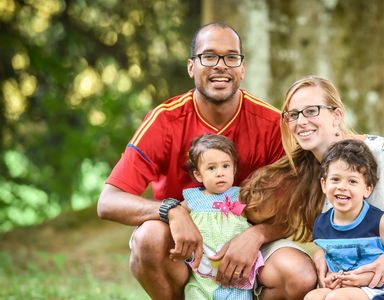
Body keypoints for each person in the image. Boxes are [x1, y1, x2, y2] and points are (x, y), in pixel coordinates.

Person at [97, 22, 316, 300]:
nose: (221, 66)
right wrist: (172, 211)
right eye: (209, 56)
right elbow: (108, 201)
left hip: (252, 244)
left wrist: (257, 235)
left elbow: (298, 207)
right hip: (184, 246)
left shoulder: (273, 124)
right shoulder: (165, 120)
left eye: (231, 57)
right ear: (191, 67)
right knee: (148, 238)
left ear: (242, 68)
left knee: (299, 275)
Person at [242, 75, 384, 299]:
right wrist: (321, 255)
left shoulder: (383, 154)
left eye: (311, 110)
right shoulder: (312, 175)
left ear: (337, 116)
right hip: (354, 291)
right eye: (293, 115)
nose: (301, 121)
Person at [305, 139, 384, 300]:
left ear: (367, 189)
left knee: (337, 298)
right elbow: (329, 257)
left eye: (352, 181)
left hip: (381, 290)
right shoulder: (321, 224)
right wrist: (332, 277)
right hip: (344, 290)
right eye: (335, 179)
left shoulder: (378, 222)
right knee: (313, 297)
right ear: (324, 185)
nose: (342, 186)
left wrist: (365, 278)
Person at [182, 134, 263, 299]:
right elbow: (177, 215)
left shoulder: (241, 196)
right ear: (198, 175)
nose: (220, 173)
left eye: (225, 166)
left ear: (233, 169)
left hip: (237, 273)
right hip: (202, 276)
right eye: (211, 168)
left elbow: (261, 216)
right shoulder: (193, 199)